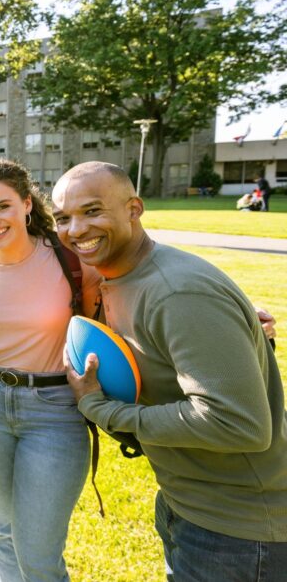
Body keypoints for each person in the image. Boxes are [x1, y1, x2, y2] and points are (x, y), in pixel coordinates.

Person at [54, 161, 287, 581]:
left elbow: (239, 423)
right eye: (63, 218)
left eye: (92, 211)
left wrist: (102, 409)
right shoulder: (123, 277)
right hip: (188, 506)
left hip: (241, 530)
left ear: (134, 209)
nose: (75, 229)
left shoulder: (178, 292)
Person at [0, 159, 102, 582]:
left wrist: (233, 314)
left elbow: (126, 306)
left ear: (27, 204)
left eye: (3, 206)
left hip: (54, 409)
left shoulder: (70, 260)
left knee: (38, 554)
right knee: (0, 532)